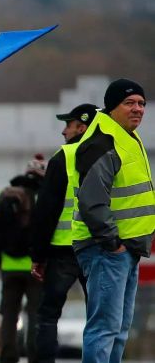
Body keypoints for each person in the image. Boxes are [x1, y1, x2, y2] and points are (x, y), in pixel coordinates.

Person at [71, 79, 154, 363]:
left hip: (125, 250)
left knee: (118, 330)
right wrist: (112, 243)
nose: (138, 109)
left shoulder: (126, 136)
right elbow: (92, 200)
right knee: (104, 329)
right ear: (112, 107)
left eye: (141, 103)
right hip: (106, 249)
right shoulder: (103, 141)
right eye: (129, 103)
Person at [29, 103, 97, 363]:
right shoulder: (112, 155)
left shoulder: (64, 157)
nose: (63, 131)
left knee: (48, 315)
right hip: (99, 247)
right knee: (101, 315)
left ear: (81, 127)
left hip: (63, 250)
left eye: (67, 125)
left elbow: (46, 209)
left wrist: (38, 254)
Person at [0, 155, 47, 363]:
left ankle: (8, 357)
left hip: (9, 265)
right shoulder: (44, 196)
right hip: (36, 266)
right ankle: (33, 356)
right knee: (34, 315)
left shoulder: (4, 194)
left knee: (9, 316)